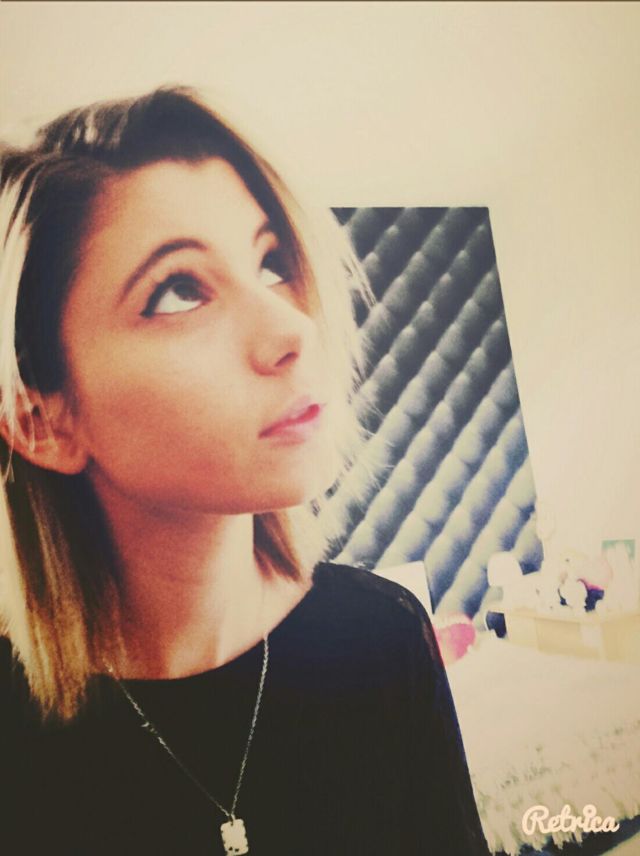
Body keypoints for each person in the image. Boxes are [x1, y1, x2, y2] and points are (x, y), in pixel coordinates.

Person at [0, 86, 491, 855]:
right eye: (178, 290)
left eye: (270, 264)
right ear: (42, 419)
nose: (292, 328)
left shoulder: (382, 639)